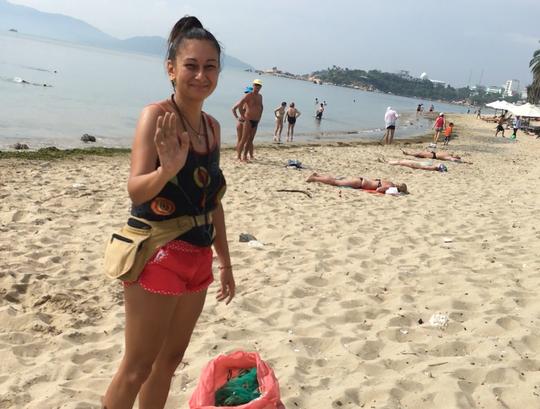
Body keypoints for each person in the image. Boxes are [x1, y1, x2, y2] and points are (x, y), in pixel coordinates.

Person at [102, 16, 235, 409]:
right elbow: (135, 189)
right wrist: (166, 171)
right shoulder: (156, 116)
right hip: (157, 253)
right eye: (191, 65)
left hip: (198, 257)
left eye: (210, 67)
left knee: (169, 362)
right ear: (171, 69)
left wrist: (225, 262)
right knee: (137, 367)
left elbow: (212, 201)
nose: (201, 75)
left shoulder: (212, 127)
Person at [232, 78, 264, 161]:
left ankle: (245, 156)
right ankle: (239, 156)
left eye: (259, 85)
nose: (257, 87)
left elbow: (261, 107)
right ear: (253, 85)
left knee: (250, 140)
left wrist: (260, 117)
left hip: (256, 121)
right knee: (243, 139)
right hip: (248, 120)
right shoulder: (248, 95)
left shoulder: (260, 96)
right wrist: (242, 116)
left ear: (261, 87)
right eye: (256, 85)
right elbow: (239, 105)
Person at [306, 172, 408, 194]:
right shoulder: (390, 186)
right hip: (359, 183)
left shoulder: (389, 182)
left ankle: (318, 176)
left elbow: (375, 180)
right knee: (336, 182)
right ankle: (314, 178)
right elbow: (378, 190)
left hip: (361, 180)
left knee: (337, 181)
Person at [401, 148, 472, 164]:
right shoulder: (450, 154)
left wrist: (465, 162)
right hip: (432, 153)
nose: (456, 155)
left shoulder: (450, 157)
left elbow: (455, 160)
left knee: (419, 153)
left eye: (457, 156)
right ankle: (408, 153)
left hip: (433, 155)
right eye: (457, 155)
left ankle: (408, 154)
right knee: (420, 154)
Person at [383, 158, 448, 172]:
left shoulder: (433, 167)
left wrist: (412, 166)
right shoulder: (433, 166)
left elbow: (423, 167)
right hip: (418, 163)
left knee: (401, 162)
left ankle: (388, 162)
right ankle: (388, 161)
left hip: (417, 164)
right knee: (401, 161)